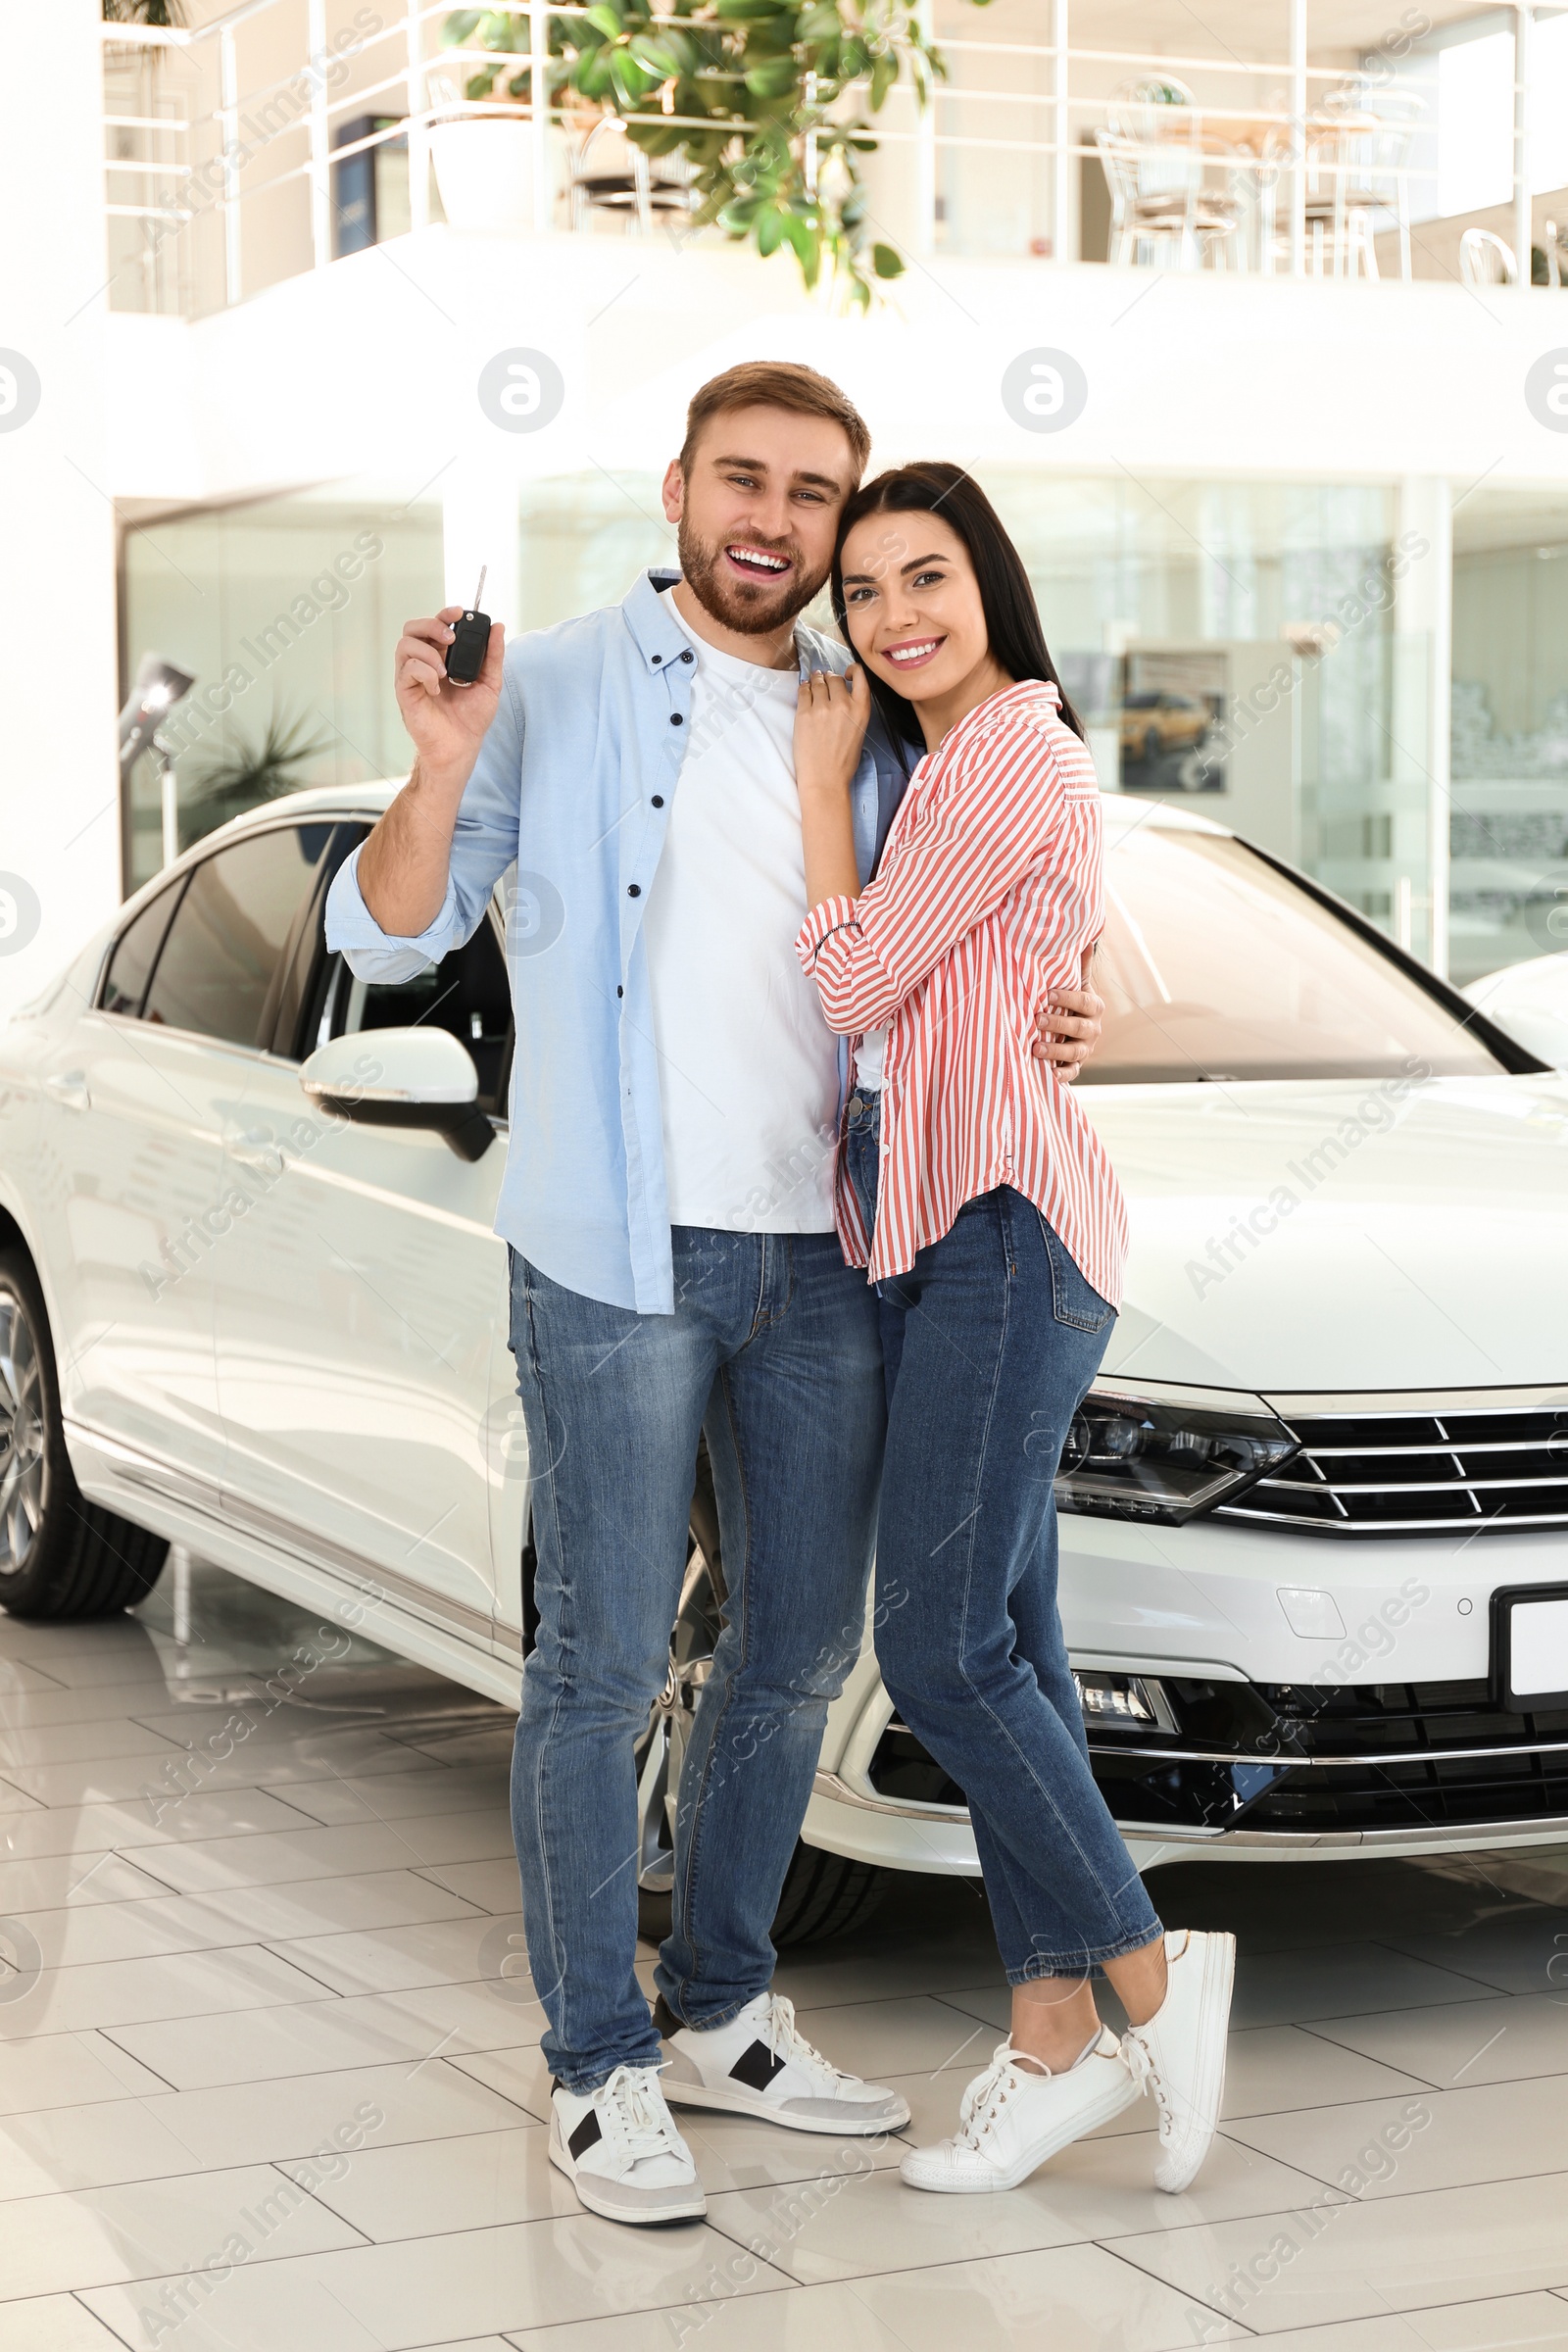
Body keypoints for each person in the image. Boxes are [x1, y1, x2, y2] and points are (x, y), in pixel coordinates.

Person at [325, 366, 1106, 2226]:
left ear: (847, 527)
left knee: (791, 1651)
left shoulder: (893, 715)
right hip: (614, 1242)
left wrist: (1094, 1000)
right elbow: (390, 933)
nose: (775, 516)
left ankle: (725, 2010)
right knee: (598, 1664)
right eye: (741, 479)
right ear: (676, 487)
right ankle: (597, 2064)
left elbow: (1003, 931)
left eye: (814, 494)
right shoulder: (562, 679)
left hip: (844, 1244)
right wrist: (442, 764)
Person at [792, 461, 1234, 2197]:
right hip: (945, 1234)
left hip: (1005, 1230)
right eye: (866, 591)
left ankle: (1149, 1968)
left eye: (929, 576)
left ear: (990, 580)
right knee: (1017, 1652)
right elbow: (989, 980)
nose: (895, 616)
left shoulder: (1002, 751)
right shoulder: (961, 759)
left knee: (943, 1643)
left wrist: (824, 790)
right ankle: (1050, 2041)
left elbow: (849, 983)